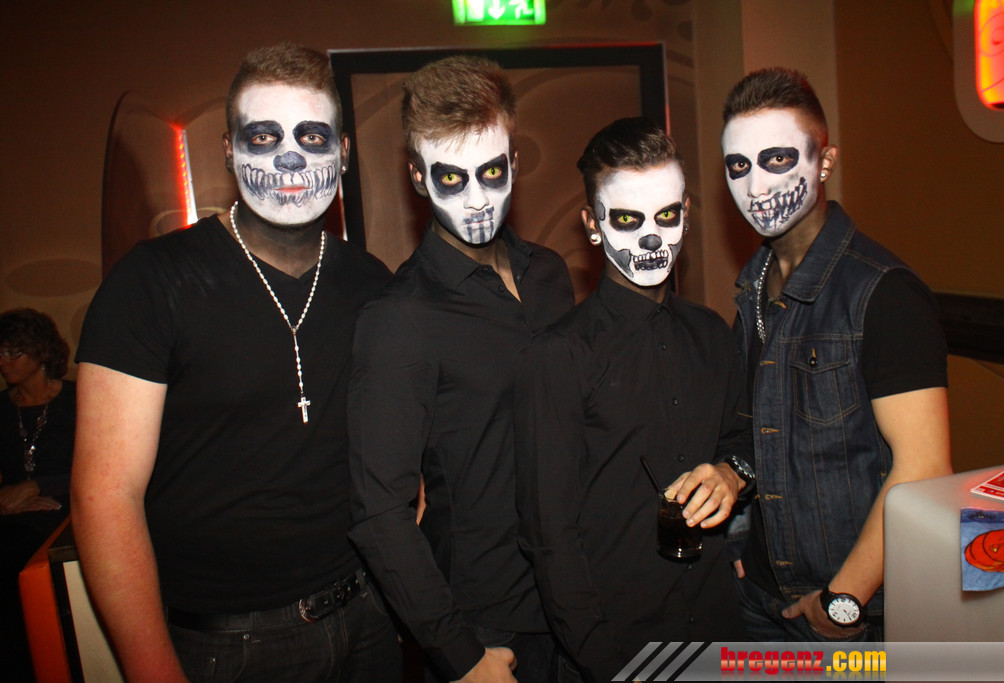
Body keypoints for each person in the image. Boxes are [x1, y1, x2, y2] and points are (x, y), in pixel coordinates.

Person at [71, 43, 400, 681]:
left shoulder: (371, 282)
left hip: (368, 614)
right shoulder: (153, 281)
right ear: (228, 150)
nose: (289, 158)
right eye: (263, 137)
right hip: (228, 645)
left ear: (343, 152)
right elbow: (104, 498)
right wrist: (152, 670)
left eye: (312, 137)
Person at [347, 55, 574, 683]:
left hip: (579, 603)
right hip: (488, 627)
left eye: (492, 171)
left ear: (515, 162)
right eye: (451, 178)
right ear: (418, 178)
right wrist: (460, 656)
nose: (476, 198)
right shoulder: (400, 317)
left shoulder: (550, 275)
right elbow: (379, 511)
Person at [514, 117, 751, 682]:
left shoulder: (712, 333)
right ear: (592, 225)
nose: (650, 237)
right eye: (627, 219)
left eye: (666, 216)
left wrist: (731, 474)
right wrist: (605, 661)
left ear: (686, 214)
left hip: (720, 635)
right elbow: (548, 537)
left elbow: (744, 441)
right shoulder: (558, 356)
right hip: (617, 651)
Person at [721, 67, 951, 641]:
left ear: (824, 162)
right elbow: (760, 434)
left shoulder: (884, 292)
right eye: (738, 166)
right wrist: (741, 533)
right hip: (761, 598)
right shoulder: (753, 286)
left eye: (777, 159)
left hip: (847, 612)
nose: (756, 186)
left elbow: (925, 468)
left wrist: (846, 596)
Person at [0, 308, 75, 681]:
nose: (4, 361)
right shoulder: (2, 407)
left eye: (14, 352)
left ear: (41, 352)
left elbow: (100, 471)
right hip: (11, 515)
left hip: (65, 512)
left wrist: (36, 486)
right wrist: (6, 498)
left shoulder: (76, 399)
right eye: (0, 352)